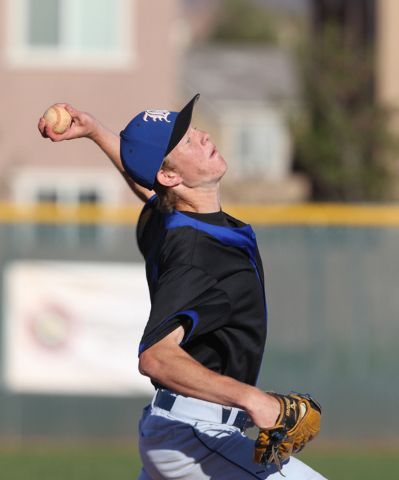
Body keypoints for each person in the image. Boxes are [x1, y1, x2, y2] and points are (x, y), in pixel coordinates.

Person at [38, 95, 326, 479]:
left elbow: (150, 187)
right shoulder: (195, 256)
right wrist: (256, 401)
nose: (203, 135)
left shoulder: (173, 218)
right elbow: (156, 357)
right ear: (172, 177)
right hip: (195, 436)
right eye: (187, 141)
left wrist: (95, 132)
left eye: (192, 129)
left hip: (183, 429)